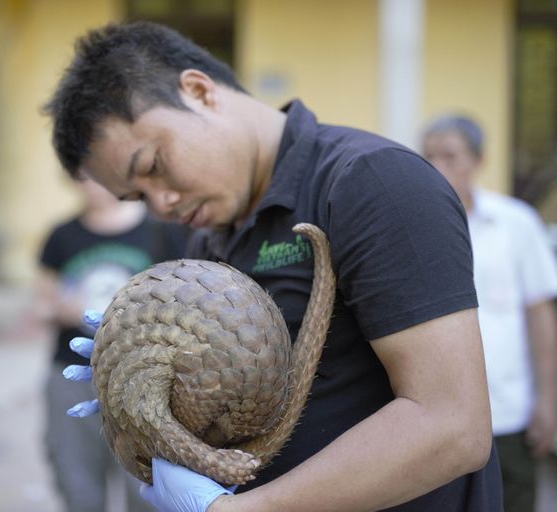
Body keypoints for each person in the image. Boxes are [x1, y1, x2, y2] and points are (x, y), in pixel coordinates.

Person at [44, 21, 503, 511]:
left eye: (154, 165)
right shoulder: (207, 237)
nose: (161, 203)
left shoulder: (371, 183)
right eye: (136, 196)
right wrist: (139, 388)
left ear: (199, 91)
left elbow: (452, 424)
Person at [422, 115, 557, 512]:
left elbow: (539, 316)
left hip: (508, 413)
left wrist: (547, 399)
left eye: (450, 155)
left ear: (478, 160)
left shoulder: (516, 223)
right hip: (439, 419)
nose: (439, 166)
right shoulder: (416, 226)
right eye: (429, 156)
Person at [34, 177, 187, 511]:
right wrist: (59, 309)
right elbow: (40, 304)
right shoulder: (62, 235)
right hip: (72, 373)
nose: (94, 183)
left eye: (100, 172)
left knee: (145, 490)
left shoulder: (160, 232)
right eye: (83, 174)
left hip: (143, 379)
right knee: (79, 484)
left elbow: (185, 303)